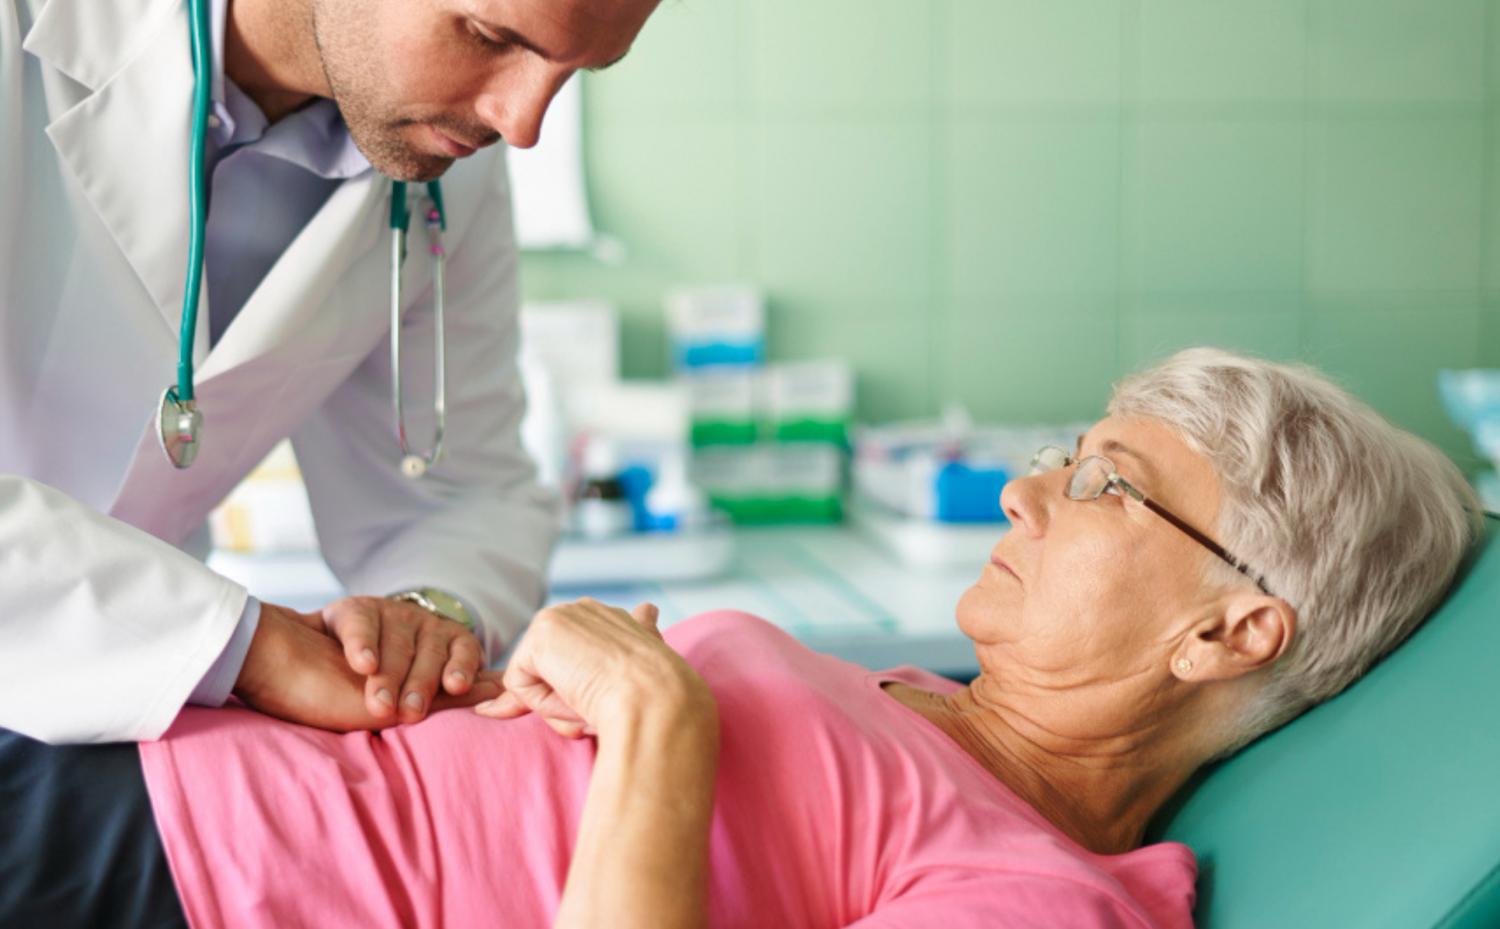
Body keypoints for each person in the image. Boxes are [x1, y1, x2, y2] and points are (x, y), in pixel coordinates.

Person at [0, 348, 1481, 928]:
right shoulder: (927, 704)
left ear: (1231, 630)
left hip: (172, 878)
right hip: (149, 759)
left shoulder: (1039, 895)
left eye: (1108, 485)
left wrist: (657, 719)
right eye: (1067, 445)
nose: (1031, 489)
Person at [0, 0, 687, 744]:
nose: (521, 123)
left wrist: (426, 623)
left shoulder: (443, 160)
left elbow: (454, 493)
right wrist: (246, 646)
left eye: (574, 73)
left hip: (134, 742)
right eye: (490, 38)